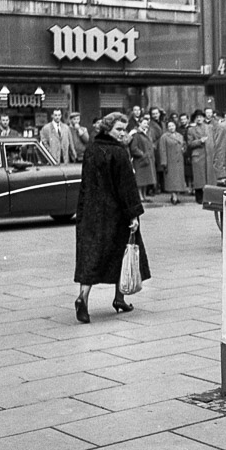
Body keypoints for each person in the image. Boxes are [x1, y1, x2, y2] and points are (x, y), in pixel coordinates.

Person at [74, 112, 150, 323]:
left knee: (90, 257)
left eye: (124, 129)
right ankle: (119, 298)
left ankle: (83, 297)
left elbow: (85, 183)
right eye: (118, 129)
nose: (122, 133)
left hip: (91, 212)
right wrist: (133, 214)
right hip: (116, 214)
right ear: (107, 129)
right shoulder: (119, 153)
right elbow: (127, 187)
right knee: (123, 252)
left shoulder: (91, 149)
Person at [158, 120, 187, 205]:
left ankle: (176, 195)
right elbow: (162, 150)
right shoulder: (164, 137)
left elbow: (184, 145)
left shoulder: (180, 136)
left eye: (173, 125)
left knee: (178, 179)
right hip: (170, 161)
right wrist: (164, 162)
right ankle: (173, 196)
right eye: (169, 126)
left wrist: (183, 149)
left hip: (179, 160)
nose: (171, 127)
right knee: (171, 179)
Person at [187, 110, 213, 203]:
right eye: (197, 117)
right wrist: (199, 141)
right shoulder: (191, 129)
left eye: (200, 117)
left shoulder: (209, 127)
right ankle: (199, 197)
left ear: (204, 118)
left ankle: (208, 196)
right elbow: (189, 144)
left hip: (208, 155)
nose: (199, 119)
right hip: (197, 156)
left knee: (208, 176)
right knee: (199, 177)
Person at [129, 116, 157, 202]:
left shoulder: (148, 133)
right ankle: (140, 196)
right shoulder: (136, 134)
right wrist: (142, 154)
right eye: (144, 123)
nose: (146, 125)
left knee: (146, 179)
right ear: (139, 123)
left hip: (148, 159)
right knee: (140, 180)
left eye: (147, 123)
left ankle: (144, 196)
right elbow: (134, 148)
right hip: (140, 160)